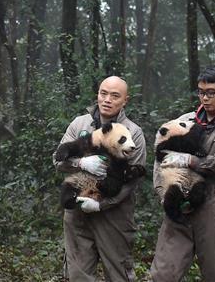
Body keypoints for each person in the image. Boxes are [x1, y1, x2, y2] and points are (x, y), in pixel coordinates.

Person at [149, 65, 215, 281]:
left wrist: (192, 161)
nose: (204, 98)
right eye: (200, 92)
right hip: (179, 201)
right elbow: (161, 158)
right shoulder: (186, 119)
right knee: (163, 273)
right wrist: (163, 194)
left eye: (210, 92)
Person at [53, 75, 146, 282]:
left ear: (125, 100)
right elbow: (57, 160)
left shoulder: (133, 133)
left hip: (114, 215)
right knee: (78, 274)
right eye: (103, 93)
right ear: (97, 94)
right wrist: (81, 163)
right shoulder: (80, 124)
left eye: (115, 96)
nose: (107, 99)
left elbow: (132, 182)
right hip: (77, 213)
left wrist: (102, 204)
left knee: (118, 272)